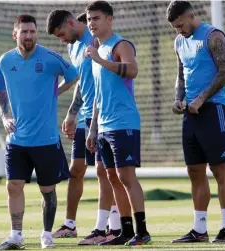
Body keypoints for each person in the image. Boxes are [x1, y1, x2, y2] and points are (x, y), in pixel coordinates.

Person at [0, 14, 79, 250]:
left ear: (36, 33)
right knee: (13, 186)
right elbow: (0, 90)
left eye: (32, 31)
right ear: (15, 34)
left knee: (47, 190)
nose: (28, 36)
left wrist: (56, 92)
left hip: (46, 140)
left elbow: (75, 76)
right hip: (17, 140)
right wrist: (4, 115)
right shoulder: (4, 61)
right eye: (24, 31)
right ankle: (16, 236)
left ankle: (47, 235)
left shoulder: (51, 59)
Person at [46, 9, 121, 245]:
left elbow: (101, 82)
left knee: (106, 171)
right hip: (84, 116)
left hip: (101, 115)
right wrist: (72, 112)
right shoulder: (73, 46)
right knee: (76, 169)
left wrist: (93, 121)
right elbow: (82, 81)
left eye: (61, 34)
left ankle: (113, 225)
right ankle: (70, 224)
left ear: (70, 23)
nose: (62, 39)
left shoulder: (95, 41)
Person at [167, 0, 225, 243]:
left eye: (181, 25)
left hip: (214, 109)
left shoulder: (213, 36)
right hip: (191, 113)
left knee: (219, 169)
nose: (179, 30)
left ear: (192, 16)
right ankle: (199, 230)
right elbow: (181, 75)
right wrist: (179, 99)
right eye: (175, 27)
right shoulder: (178, 42)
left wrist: (202, 98)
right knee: (195, 170)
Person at [85, 1, 151, 245]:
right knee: (112, 177)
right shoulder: (95, 50)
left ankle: (142, 232)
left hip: (123, 122)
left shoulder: (120, 45)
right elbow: (98, 95)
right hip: (103, 126)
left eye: (96, 18)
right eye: (89, 19)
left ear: (109, 20)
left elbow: (132, 70)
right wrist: (92, 128)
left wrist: (101, 61)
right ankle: (125, 230)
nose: (91, 23)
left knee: (126, 177)